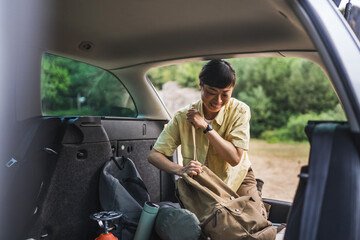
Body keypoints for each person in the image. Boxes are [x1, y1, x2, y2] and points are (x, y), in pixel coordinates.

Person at [148, 59, 267, 218]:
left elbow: (234, 159)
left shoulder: (240, 111)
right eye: (211, 92)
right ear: (200, 85)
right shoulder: (182, 116)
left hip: (238, 177)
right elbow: (154, 156)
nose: (217, 101)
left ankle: (256, 200)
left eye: (225, 94)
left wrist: (206, 127)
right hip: (204, 184)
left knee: (252, 223)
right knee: (214, 227)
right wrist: (181, 170)